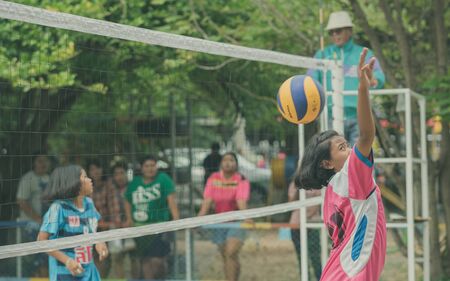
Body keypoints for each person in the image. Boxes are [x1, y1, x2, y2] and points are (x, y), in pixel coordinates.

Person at [295, 48, 386, 280]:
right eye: (343, 148)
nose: (350, 149)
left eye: (347, 144)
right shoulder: (351, 177)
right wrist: (362, 89)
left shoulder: (331, 191)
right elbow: (366, 135)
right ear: (326, 163)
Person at [307, 11, 385, 145]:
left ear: (349, 31)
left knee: (359, 160)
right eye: (331, 32)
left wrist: (373, 81)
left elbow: (379, 78)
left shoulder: (363, 53)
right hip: (331, 116)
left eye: (338, 31)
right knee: (334, 162)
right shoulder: (322, 54)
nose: (334, 35)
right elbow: (309, 81)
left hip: (359, 117)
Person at [37, 165, 109, 280]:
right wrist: (68, 261)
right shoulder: (57, 208)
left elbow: (93, 231)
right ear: (74, 183)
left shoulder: (89, 203)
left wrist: (100, 242)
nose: (90, 180)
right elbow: (41, 241)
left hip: (89, 273)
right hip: (64, 275)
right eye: (85, 177)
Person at [124, 155, 180, 280]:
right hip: (139, 229)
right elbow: (127, 200)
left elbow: (171, 200)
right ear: (142, 168)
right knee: (145, 260)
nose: (150, 169)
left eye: (153, 165)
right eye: (147, 166)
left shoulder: (163, 179)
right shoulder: (135, 182)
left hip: (159, 227)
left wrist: (176, 220)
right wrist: (129, 219)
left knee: (158, 261)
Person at [198, 152, 250, 281]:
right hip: (219, 221)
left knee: (230, 252)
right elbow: (207, 201)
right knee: (227, 256)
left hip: (236, 221)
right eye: (225, 160)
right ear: (221, 163)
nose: (228, 163)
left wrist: (247, 217)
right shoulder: (213, 178)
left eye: (231, 160)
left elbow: (241, 201)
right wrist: (198, 218)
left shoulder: (241, 179)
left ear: (236, 164)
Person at [16, 152, 50, 277]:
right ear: (34, 163)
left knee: (47, 258)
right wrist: (38, 219)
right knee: (38, 259)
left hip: (47, 226)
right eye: (40, 161)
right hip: (30, 225)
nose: (43, 164)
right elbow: (21, 201)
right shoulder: (27, 178)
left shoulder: (50, 178)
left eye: (45, 160)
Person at [87, 159, 121, 278]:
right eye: (92, 169)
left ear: (102, 170)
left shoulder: (110, 185)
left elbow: (114, 210)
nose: (95, 171)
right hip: (91, 229)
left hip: (108, 228)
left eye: (98, 168)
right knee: (92, 258)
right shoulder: (86, 188)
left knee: (107, 258)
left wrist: (110, 224)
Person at [288, 181, 322, 281]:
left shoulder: (318, 183)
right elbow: (291, 203)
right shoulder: (295, 183)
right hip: (296, 226)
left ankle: (319, 278)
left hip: (312, 225)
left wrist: (306, 216)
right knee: (301, 258)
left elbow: (316, 204)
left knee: (315, 257)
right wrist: (299, 189)